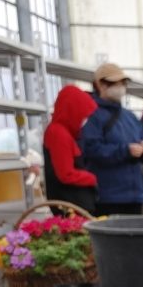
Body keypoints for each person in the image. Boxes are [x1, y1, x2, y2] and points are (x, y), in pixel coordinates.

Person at [80, 62, 143, 215]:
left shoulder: (129, 116)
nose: (120, 87)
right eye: (114, 83)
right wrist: (125, 151)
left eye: (123, 83)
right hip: (108, 196)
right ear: (100, 85)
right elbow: (91, 149)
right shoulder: (92, 115)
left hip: (134, 195)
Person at [42, 86, 98, 216]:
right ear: (73, 111)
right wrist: (92, 178)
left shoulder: (64, 132)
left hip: (73, 203)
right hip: (70, 205)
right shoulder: (58, 133)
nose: (84, 119)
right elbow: (66, 174)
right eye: (82, 114)